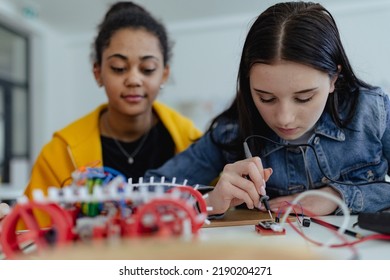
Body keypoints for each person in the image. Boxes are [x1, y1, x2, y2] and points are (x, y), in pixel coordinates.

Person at [146, 1, 390, 217]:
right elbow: (147, 190)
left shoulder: (372, 111)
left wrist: (336, 197)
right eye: (265, 98)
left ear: (333, 78)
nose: (284, 118)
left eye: (304, 98)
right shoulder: (232, 131)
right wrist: (208, 202)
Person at [25, 2, 201, 201]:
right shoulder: (59, 154)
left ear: (164, 74)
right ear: (98, 73)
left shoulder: (191, 141)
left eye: (148, 68)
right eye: (118, 68)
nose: (134, 80)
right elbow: (29, 225)